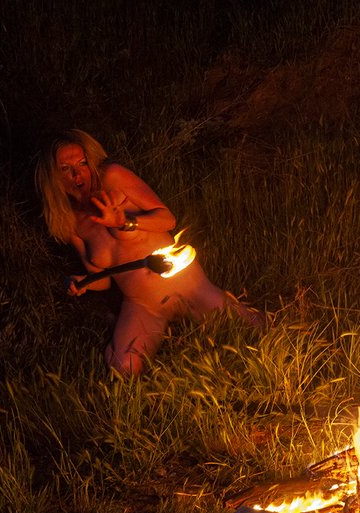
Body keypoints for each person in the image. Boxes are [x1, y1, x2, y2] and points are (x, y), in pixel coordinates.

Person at [35, 129, 263, 375]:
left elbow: (167, 219)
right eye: (65, 168)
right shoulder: (69, 221)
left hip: (186, 285)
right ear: (52, 178)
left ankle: (236, 307)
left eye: (82, 163)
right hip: (142, 304)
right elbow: (103, 280)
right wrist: (84, 282)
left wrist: (125, 222)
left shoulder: (113, 178)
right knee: (123, 366)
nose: (78, 173)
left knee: (254, 328)